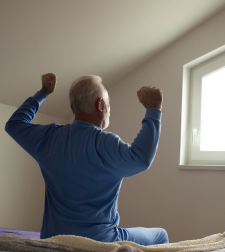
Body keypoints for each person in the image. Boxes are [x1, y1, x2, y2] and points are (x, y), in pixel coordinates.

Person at [5, 73, 169, 246]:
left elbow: (14, 124)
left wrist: (43, 93)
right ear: (100, 104)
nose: (110, 108)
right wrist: (154, 108)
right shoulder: (105, 142)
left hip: (53, 239)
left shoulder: (50, 137)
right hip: (98, 242)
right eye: (108, 102)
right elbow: (142, 158)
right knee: (161, 235)